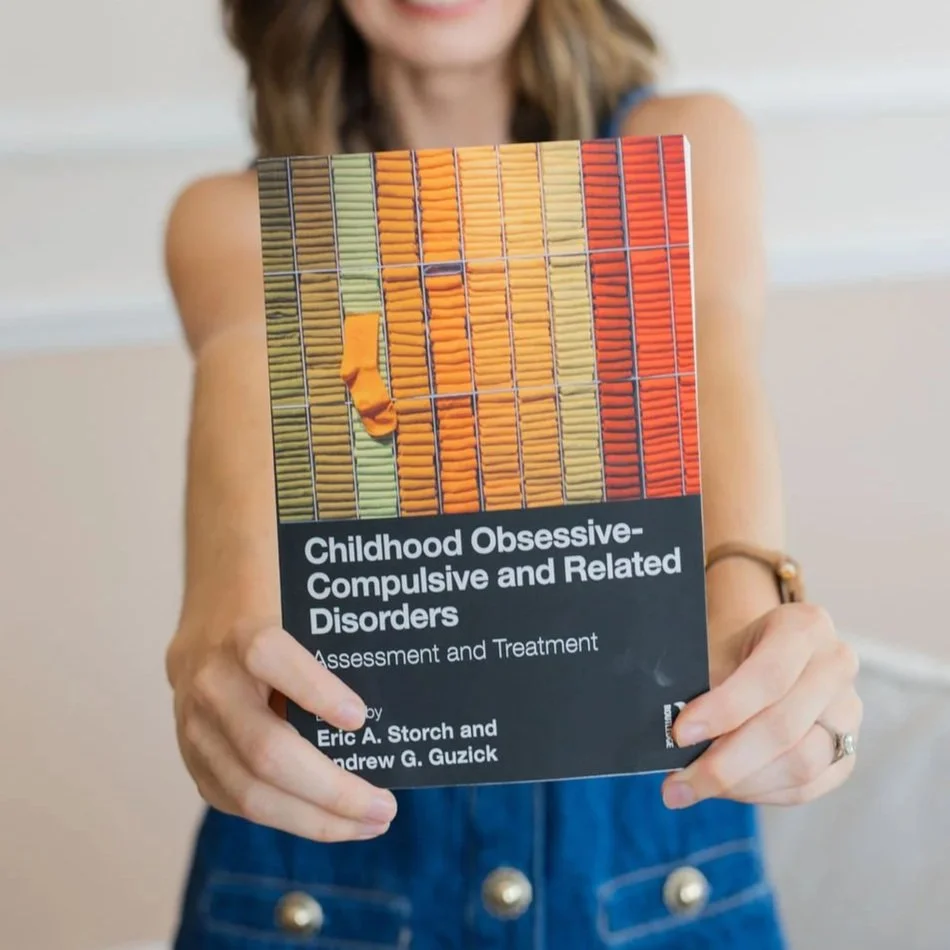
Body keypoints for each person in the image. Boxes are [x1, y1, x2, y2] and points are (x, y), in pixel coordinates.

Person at [163, 1, 862, 946]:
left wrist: (758, 630)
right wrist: (223, 639)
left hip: (653, 880)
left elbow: (706, 361)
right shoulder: (232, 220)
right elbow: (241, 497)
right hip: (323, 894)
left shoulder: (684, 147)